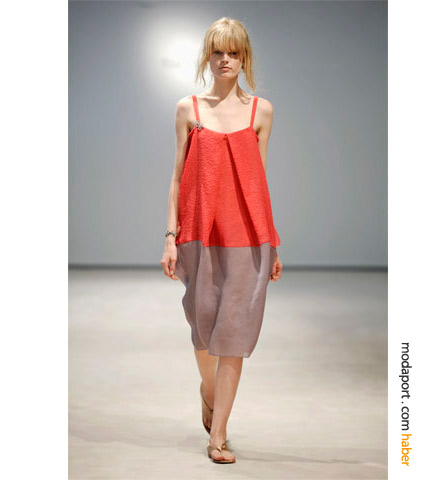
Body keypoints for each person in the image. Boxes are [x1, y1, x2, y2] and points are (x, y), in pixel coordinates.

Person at [160, 17, 282, 464]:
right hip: (199, 234)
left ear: (244, 58)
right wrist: (170, 237)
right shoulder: (188, 109)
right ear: (207, 57)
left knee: (233, 333)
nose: (225, 59)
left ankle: (219, 435)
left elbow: (259, 182)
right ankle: (208, 391)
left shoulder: (261, 111)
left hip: (248, 238)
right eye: (218, 52)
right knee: (202, 329)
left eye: (233, 52)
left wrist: (273, 241)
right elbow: (177, 179)